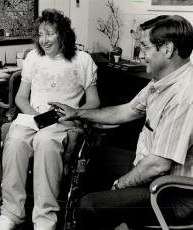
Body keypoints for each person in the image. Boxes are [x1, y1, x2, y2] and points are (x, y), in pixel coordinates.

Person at [50, 15, 193, 229]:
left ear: (168, 49)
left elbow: (158, 165)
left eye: (144, 47)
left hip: (172, 194)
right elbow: (126, 111)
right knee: (93, 157)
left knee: (91, 206)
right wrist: (77, 113)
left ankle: (94, 212)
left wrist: (119, 185)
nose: (141, 54)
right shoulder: (162, 81)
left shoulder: (184, 96)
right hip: (151, 169)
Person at [0, 9, 100, 230]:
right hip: (34, 117)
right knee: (15, 140)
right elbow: (22, 98)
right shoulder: (33, 57)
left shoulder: (83, 60)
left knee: (45, 142)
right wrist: (36, 116)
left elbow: (94, 102)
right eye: (41, 34)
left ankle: (44, 219)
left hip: (63, 121)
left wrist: (74, 113)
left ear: (63, 34)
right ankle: (11, 213)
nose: (44, 40)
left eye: (49, 34)